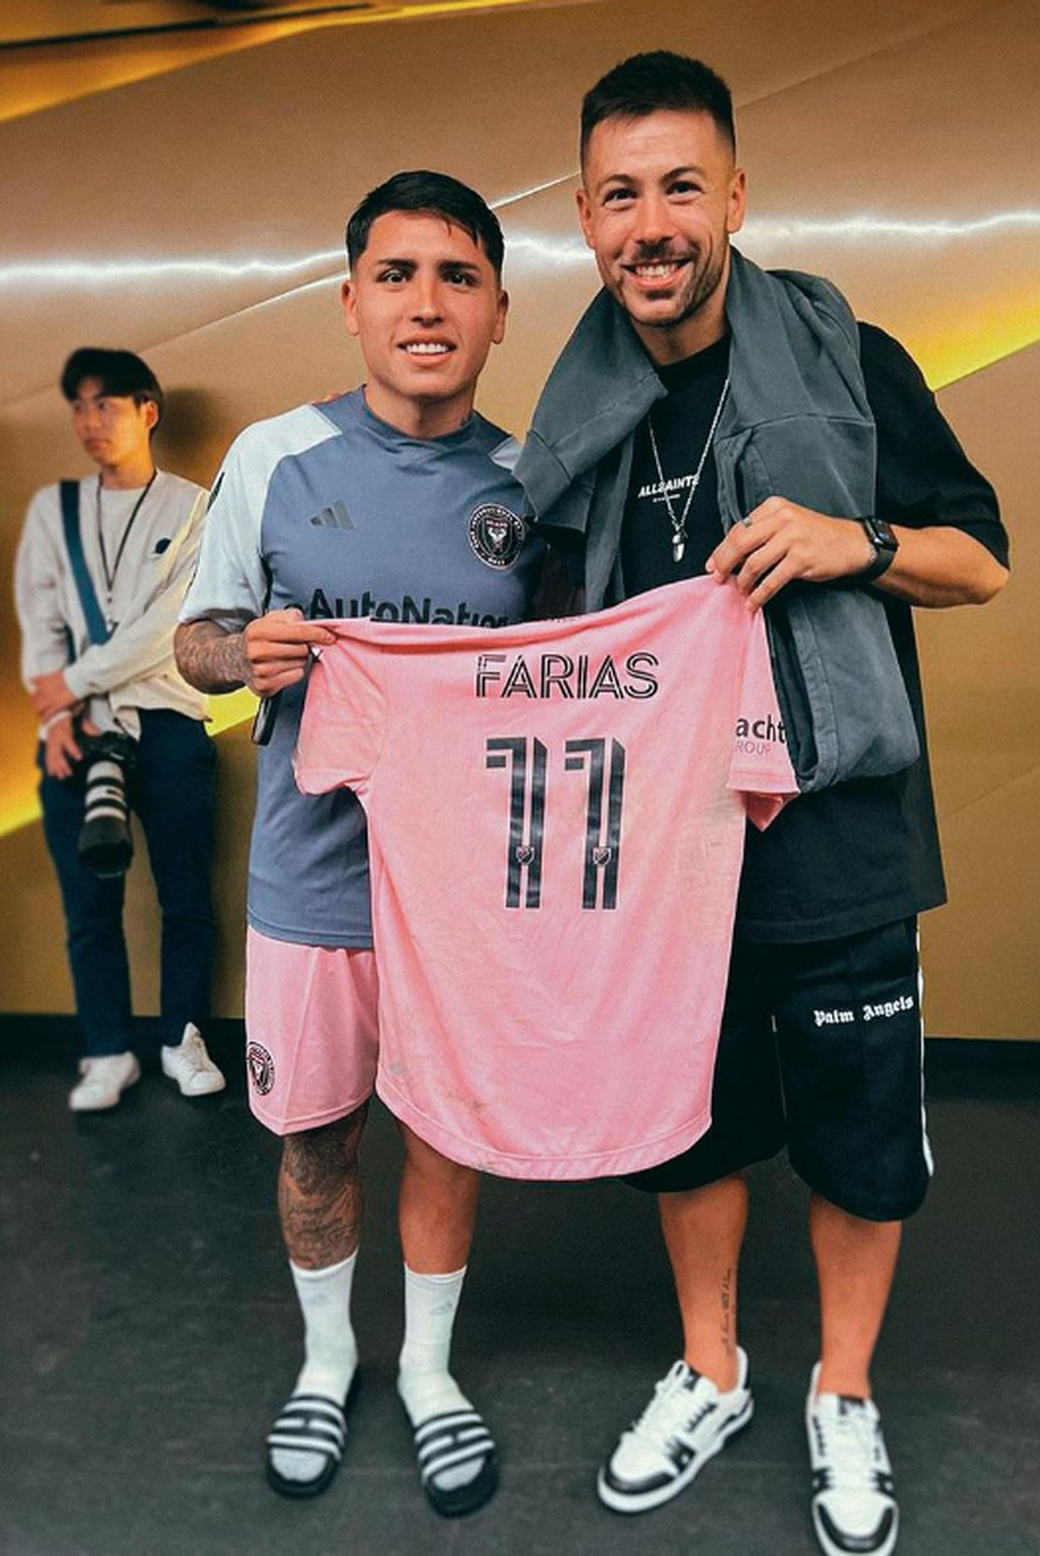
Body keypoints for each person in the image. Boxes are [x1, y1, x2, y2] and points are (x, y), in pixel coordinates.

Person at [516, 52, 1009, 1556]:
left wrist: (855, 536)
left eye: (680, 185)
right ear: (586, 223)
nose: (650, 222)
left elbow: (981, 559)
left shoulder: (847, 354)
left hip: (845, 831)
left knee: (862, 1147)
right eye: (618, 194)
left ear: (735, 193)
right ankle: (713, 1367)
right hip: (666, 857)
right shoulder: (572, 421)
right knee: (693, 1133)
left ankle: (840, 1392)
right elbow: (540, 652)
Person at [174, 171, 543, 1515]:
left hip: (465, 901)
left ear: (501, 309)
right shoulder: (275, 457)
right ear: (349, 303)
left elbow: (574, 676)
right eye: (396, 274)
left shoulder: (533, 484)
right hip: (312, 882)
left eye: (458, 276)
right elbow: (194, 643)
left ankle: (431, 1374)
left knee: (444, 1141)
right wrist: (242, 649)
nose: (426, 302)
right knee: (316, 1141)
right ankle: (329, 1364)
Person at [15, 348, 224, 1113]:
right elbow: (37, 617)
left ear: (148, 410)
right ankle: (106, 1050)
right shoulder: (55, 512)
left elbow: (172, 626)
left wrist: (70, 681)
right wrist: (59, 713)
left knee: (185, 892)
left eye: (106, 404)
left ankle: (184, 1038)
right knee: (87, 903)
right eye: (79, 406)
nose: (89, 421)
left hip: (169, 718)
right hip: (75, 731)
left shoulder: (192, 507)